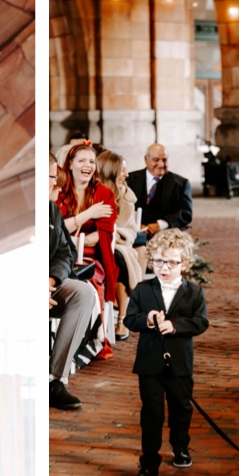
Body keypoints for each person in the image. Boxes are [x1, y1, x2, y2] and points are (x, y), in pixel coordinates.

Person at [124, 228, 207, 476]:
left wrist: (176, 326)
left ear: (185, 263)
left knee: (181, 408)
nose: (165, 267)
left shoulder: (194, 292)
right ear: (151, 261)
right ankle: (149, 461)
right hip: (150, 364)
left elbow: (200, 322)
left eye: (172, 262)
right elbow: (129, 319)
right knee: (152, 413)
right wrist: (147, 319)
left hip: (180, 365)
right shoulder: (143, 289)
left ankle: (180, 445)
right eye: (159, 261)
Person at [56, 142, 118, 348]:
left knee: (91, 282)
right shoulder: (59, 193)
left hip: (93, 257)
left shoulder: (104, 193)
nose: (88, 165)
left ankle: (93, 338)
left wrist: (72, 231)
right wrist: (88, 215)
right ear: (70, 165)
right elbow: (54, 229)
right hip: (60, 255)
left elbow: (102, 234)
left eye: (91, 161)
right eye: (82, 160)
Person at [49, 154, 99, 410]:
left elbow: (64, 252)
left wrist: (50, 280)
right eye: (50, 180)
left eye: (55, 181)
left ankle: (55, 379)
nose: (55, 187)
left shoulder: (51, 210)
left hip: (49, 283)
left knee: (83, 292)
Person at [96, 147, 141, 329]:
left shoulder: (126, 196)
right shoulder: (92, 191)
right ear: (111, 170)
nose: (127, 174)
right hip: (92, 241)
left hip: (118, 243)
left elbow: (128, 230)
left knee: (119, 259)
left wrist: (112, 231)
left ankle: (122, 318)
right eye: (123, 170)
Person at [132, 143, 193, 242]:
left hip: (167, 236)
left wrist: (160, 225)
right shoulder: (129, 180)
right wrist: (136, 224)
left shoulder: (181, 183)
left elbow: (186, 213)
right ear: (146, 159)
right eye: (156, 160)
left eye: (164, 160)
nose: (161, 165)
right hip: (134, 235)